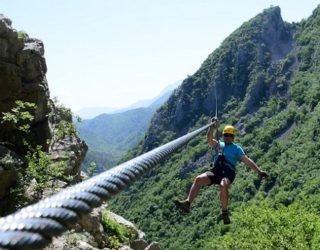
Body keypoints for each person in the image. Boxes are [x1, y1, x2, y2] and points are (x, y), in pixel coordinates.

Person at [175, 120, 268, 224]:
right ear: (223, 135)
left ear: (233, 137)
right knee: (198, 179)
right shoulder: (219, 144)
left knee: (223, 185)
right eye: (226, 135)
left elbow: (247, 161)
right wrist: (212, 127)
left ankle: (224, 212)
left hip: (228, 172)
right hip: (216, 170)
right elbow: (209, 140)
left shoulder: (236, 148)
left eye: (230, 135)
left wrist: (259, 171)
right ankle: (187, 203)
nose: (228, 137)